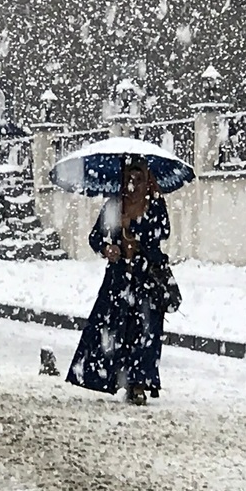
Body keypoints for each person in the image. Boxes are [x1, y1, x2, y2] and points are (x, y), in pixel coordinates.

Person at [66, 156, 171, 406]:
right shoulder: (114, 205)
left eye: (139, 178)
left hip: (146, 278)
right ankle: (110, 377)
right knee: (114, 328)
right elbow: (95, 237)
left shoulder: (155, 204)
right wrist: (107, 248)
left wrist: (135, 229)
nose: (133, 184)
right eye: (129, 178)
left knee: (145, 330)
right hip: (119, 279)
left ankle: (138, 383)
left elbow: (163, 232)